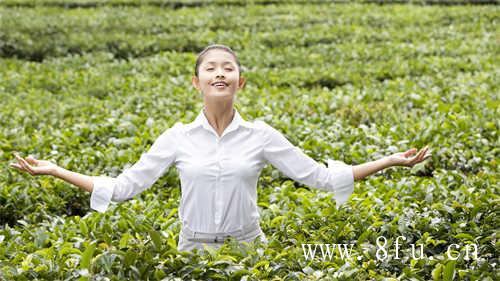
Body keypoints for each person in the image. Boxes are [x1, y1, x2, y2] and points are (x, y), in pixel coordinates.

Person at [9, 44, 431, 252]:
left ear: (240, 82)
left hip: (248, 250)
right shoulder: (176, 137)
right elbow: (122, 188)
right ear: (196, 82)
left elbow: (320, 178)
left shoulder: (262, 135)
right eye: (210, 68)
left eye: (228, 68)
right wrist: (55, 170)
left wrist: (389, 161)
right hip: (190, 250)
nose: (219, 73)